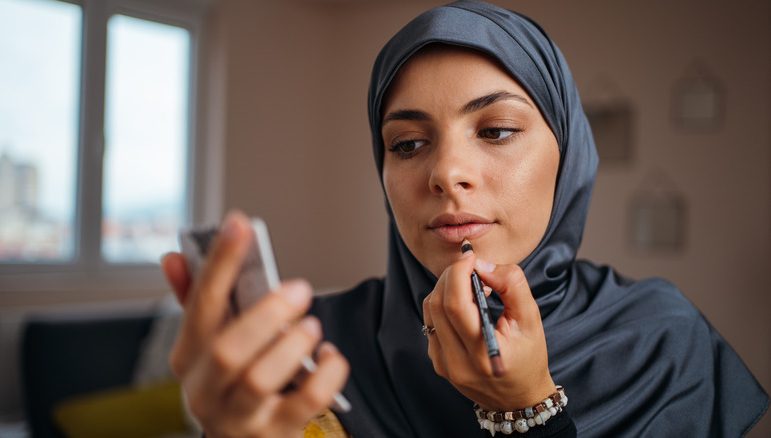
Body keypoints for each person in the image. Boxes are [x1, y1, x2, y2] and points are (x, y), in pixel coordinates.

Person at [161, 1, 769, 437]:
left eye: (497, 130)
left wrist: (526, 410)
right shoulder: (314, 347)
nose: (446, 173)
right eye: (406, 144)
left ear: (570, 158)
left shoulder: (662, 342)